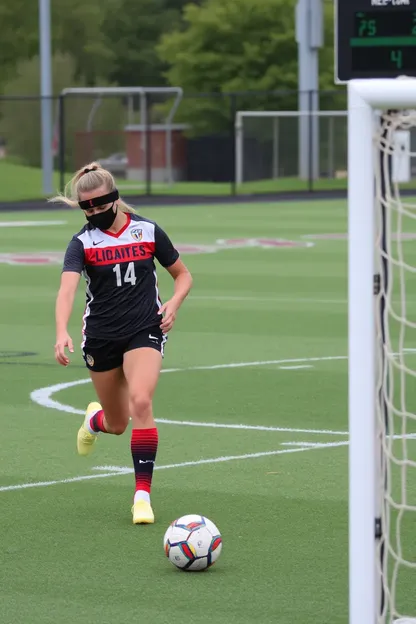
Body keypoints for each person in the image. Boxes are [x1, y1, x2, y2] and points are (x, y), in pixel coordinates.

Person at [50, 162, 193, 525]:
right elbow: (67, 289)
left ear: (114, 199)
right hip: (100, 337)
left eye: (100, 205)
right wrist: (61, 331)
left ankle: (141, 497)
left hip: (144, 328)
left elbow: (183, 275)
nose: (95, 212)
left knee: (141, 401)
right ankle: (94, 421)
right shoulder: (82, 243)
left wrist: (173, 304)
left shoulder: (146, 230)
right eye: (88, 208)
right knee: (118, 423)